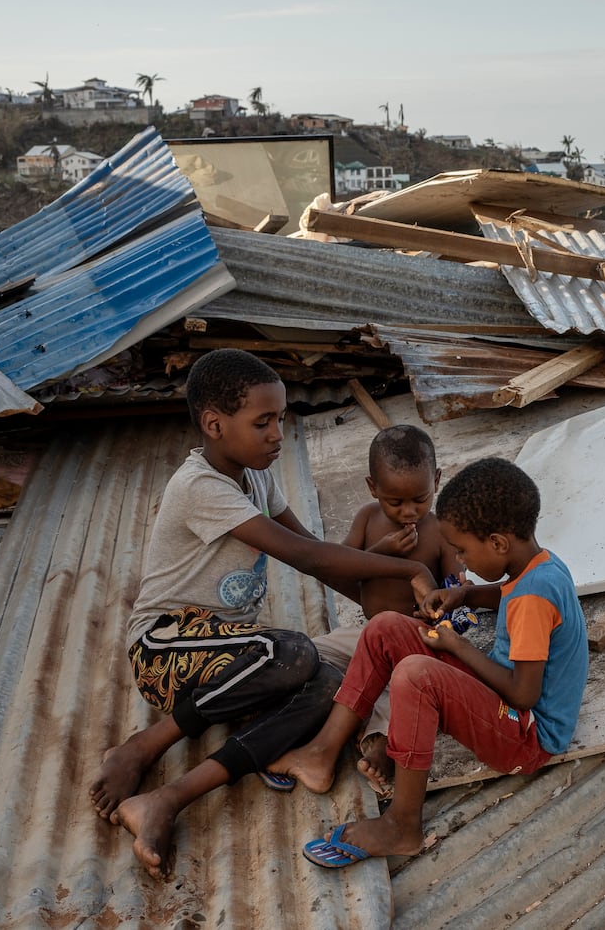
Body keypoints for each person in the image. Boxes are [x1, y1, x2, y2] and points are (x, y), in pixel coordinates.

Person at [88, 348, 433, 880]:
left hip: (234, 655)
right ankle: (142, 746)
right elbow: (305, 555)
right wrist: (403, 569)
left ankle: (169, 798)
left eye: (281, 419)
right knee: (293, 652)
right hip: (164, 648)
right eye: (264, 421)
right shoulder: (200, 486)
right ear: (214, 424)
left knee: (334, 681)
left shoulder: (256, 476)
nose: (278, 433)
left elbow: (317, 557)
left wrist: (393, 615)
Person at [270, 457, 589, 868]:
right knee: (386, 627)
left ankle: (402, 823)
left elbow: (524, 694)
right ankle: (322, 752)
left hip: (529, 736)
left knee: (415, 675)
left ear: (497, 543)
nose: (461, 561)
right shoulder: (541, 565)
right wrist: (466, 595)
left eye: (462, 551)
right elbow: (509, 594)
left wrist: (457, 647)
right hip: (506, 702)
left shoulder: (532, 598)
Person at [312, 424, 467, 795]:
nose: (409, 511)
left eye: (420, 498)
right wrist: (380, 552)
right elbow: (341, 566)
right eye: (395, 502)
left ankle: (380, 745)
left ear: (437, 480)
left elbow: (458, 590)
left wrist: (444, 608)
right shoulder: (367, 519)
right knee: (312, 652)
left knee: (398, 692)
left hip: (416, 643)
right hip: (367, 639)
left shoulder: (440, 532)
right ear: (372, 488)